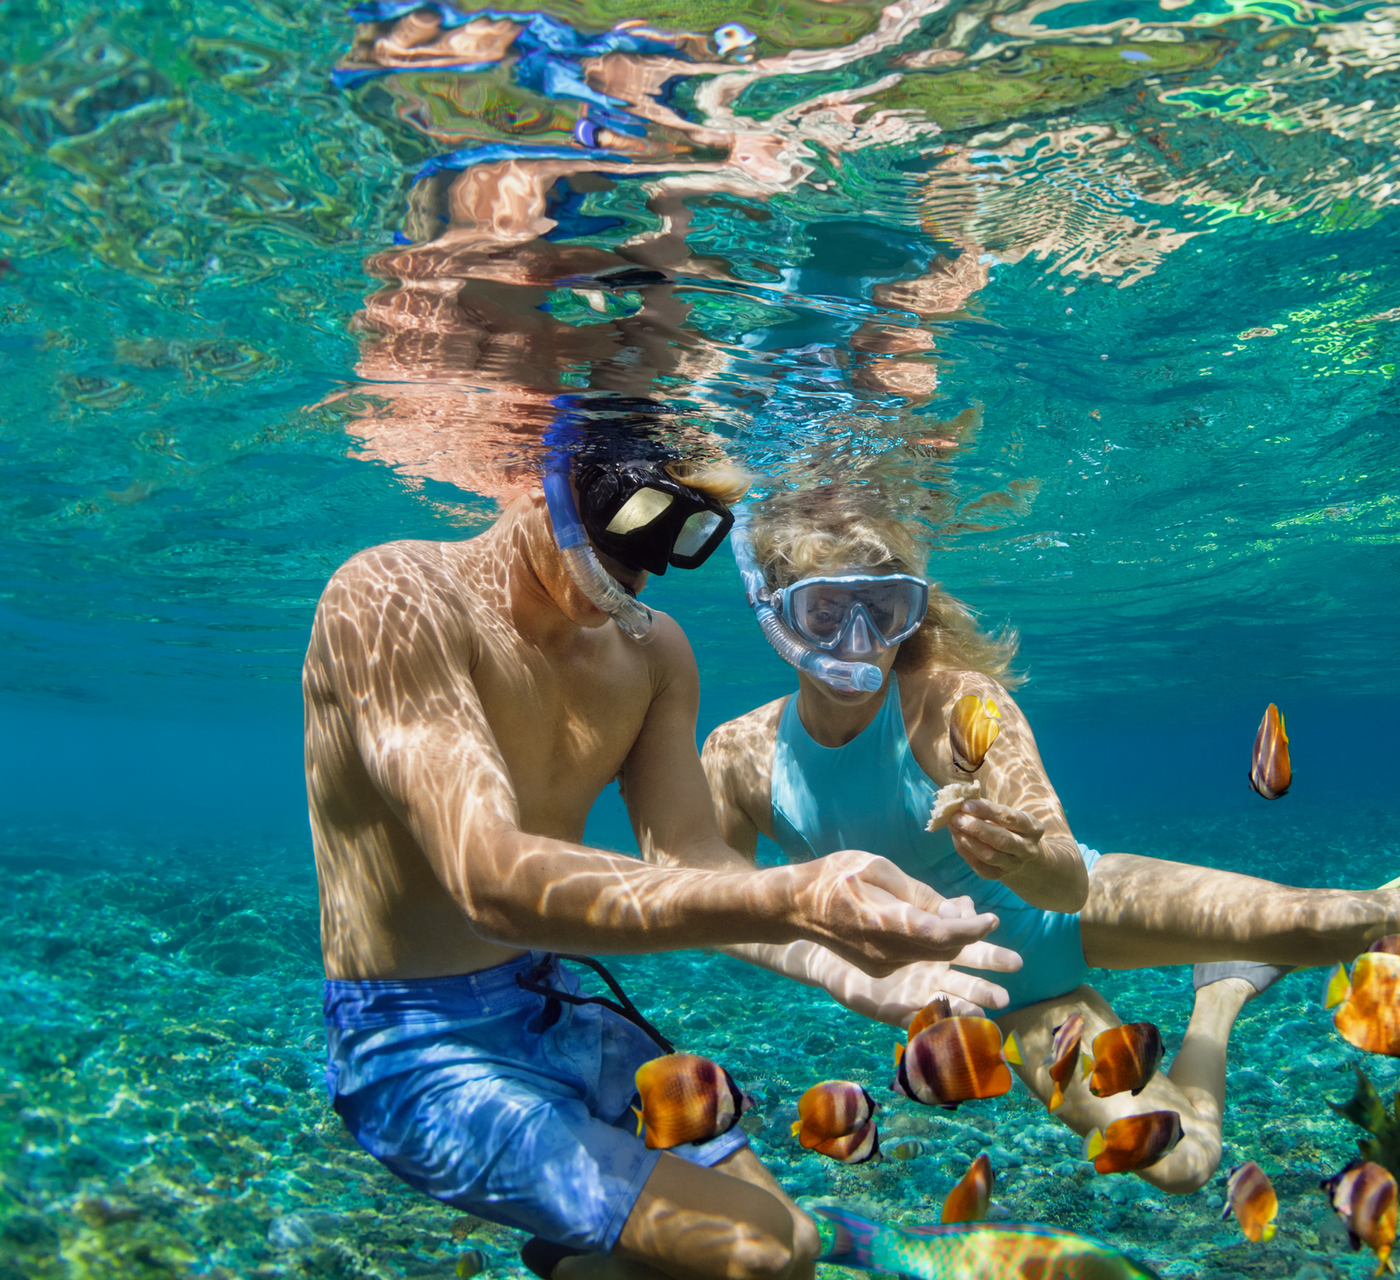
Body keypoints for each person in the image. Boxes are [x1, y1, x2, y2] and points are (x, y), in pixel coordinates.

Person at [691, 465, 1400, 1197]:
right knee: (1185, 1164)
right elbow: (702, 900)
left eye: (888, 606)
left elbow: (1061, 879)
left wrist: (1024, 851)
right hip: (1004, 997)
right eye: (831, 611)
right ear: (775, 609)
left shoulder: (960, 705)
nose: (862, 640)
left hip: (1084, 902)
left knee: (1334, 916)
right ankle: (1223, 991)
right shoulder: (740, 756)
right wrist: (832, 960)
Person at [303, 427, 1019, 1280]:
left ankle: (571, 1257)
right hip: (415, 1044)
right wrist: (795, 900)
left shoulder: (653, 651)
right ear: (549, 476)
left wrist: (833, 964)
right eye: (624, 531)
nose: (637, 575)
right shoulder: (391, 595)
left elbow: (689, 857)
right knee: (764, 1252)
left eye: (678, 541)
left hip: (554, 1005)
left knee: (773, 1249)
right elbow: (484, 876)